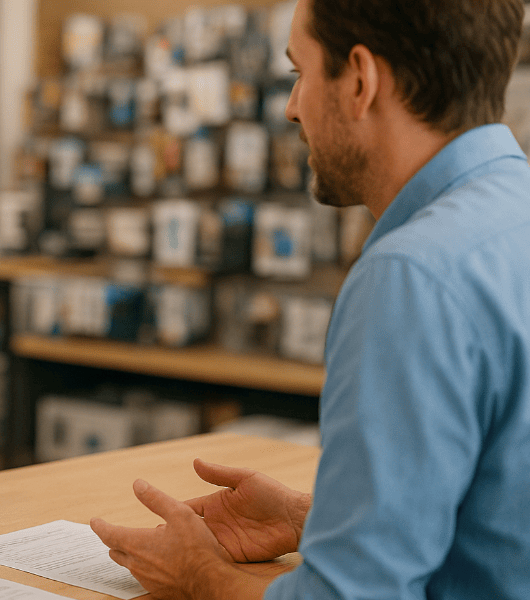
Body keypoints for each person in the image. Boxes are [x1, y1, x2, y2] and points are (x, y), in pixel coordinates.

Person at [91, 0, 530, 598]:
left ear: (359, 81)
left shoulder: (411, 277)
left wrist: (200, 574)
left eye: (301, 73)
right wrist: (318, 516)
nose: (292, 107)